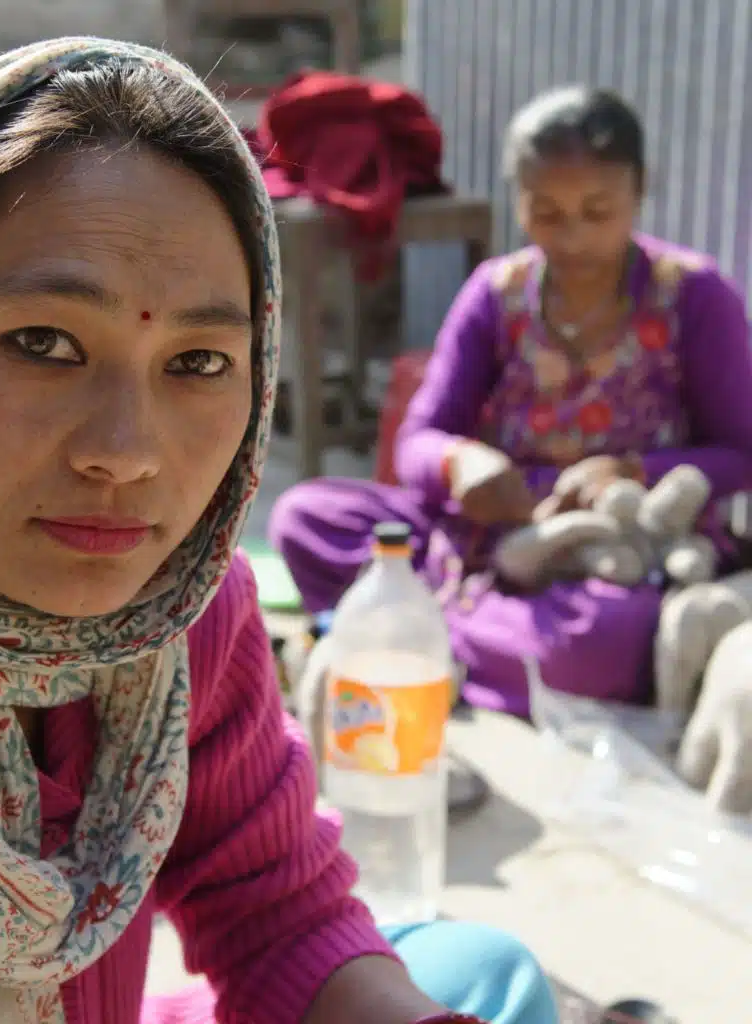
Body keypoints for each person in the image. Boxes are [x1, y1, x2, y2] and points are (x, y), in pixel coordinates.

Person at [0, 39, 557, 1024]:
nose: (126, 455)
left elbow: (276, 913)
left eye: (198, 362)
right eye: (43, 343)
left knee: (479, 972)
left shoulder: (177, 613)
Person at [271, 85, 752, 716]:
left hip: (619, 553)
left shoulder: (693, 295)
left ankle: (413, 631)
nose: (573, 237)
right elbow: (419, 440)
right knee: (306, 516)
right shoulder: (497, 293)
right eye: (546, 211)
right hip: (489, 533)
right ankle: (467, 637)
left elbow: (741, 452)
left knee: (608, 637)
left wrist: (632, 471)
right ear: (518, 200)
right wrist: (459, 463)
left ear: (638, 192)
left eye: (598, 211)